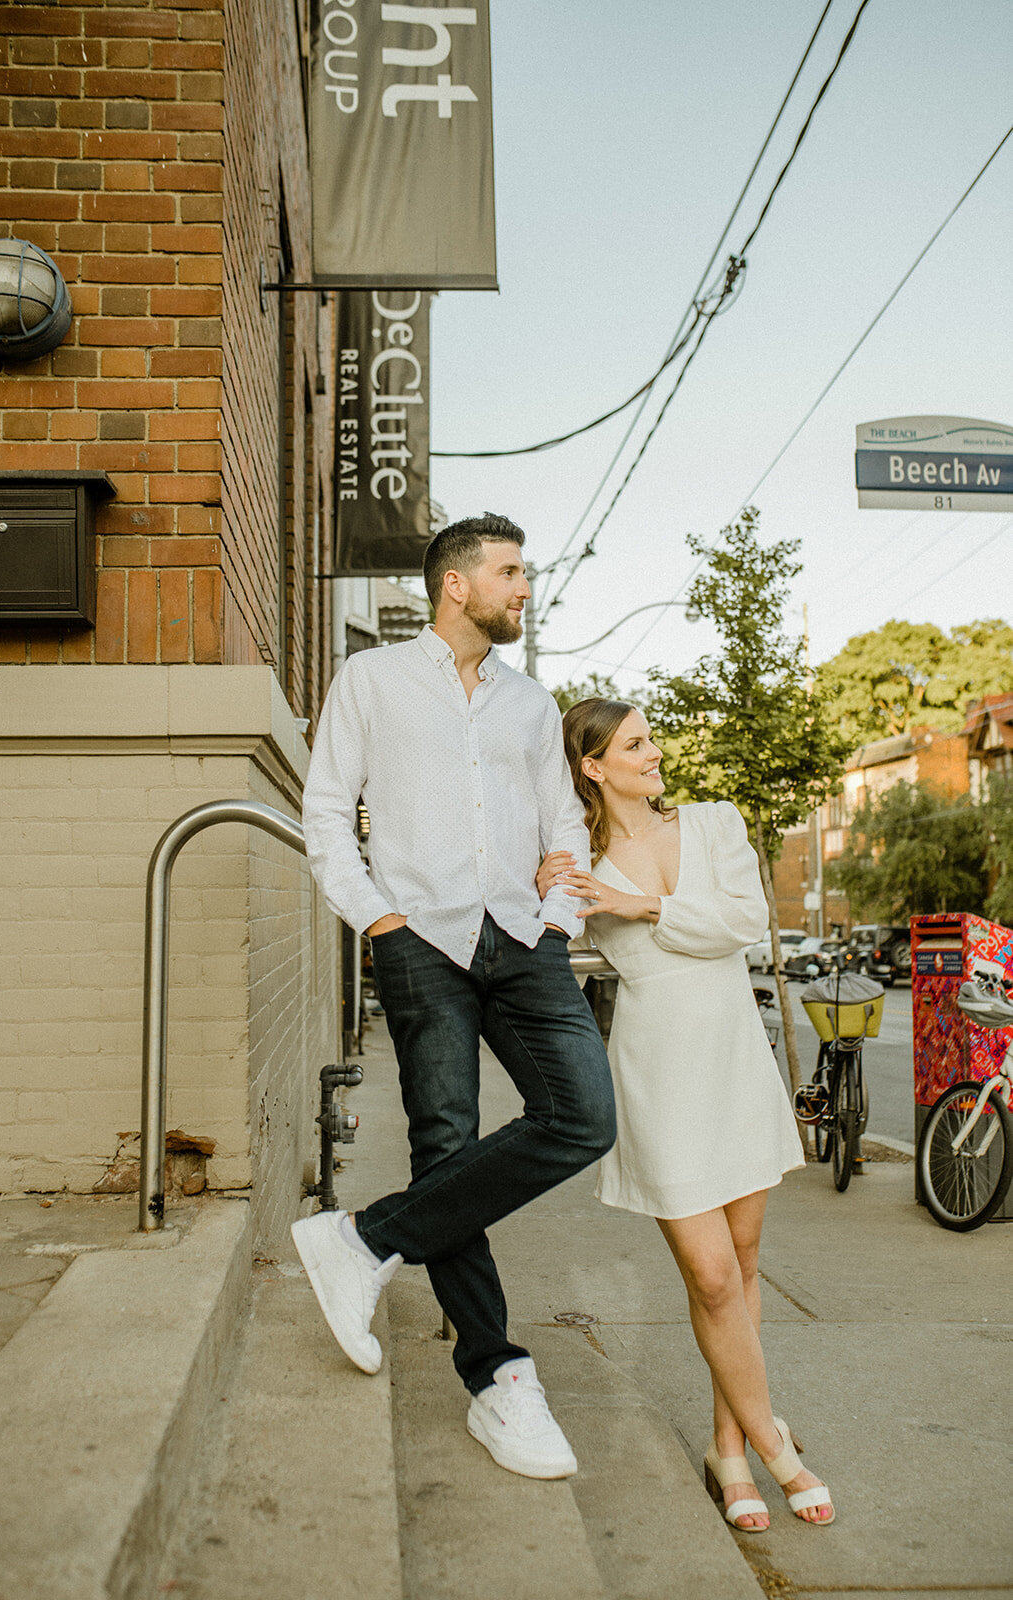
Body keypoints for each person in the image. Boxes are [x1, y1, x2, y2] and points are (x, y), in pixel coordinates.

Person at [291, 515, 616, 1480]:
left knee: (583, 1117)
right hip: (420, 939)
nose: (524, 588)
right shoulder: (372, 681)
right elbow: (321, 815)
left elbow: (566, 824)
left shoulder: (529, 703)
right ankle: (497, 1378)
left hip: (523, 940)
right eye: (511, 572)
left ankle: (366, 1238)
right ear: (454, 585)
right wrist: (377, 919)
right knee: (447, 1144)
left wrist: (560, 916)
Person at [539, 697, 834, 1528]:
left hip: (732, 1055)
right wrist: (553, 901)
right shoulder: (574, 858)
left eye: (650, 738)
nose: (654, 752)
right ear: (592, 766)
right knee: (708, 1274)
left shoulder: (712, 824)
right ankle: (775, 1446)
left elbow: (745, 922)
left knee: (740, 1269)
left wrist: (645, 908)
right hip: (656, 1064)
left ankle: (729, 1449)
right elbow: (550, 946)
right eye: (634, 744)